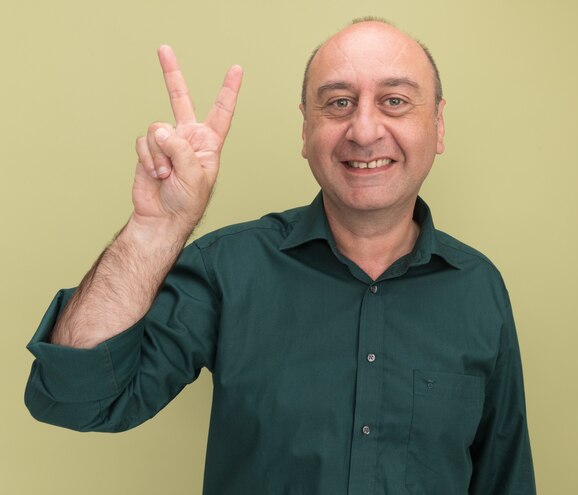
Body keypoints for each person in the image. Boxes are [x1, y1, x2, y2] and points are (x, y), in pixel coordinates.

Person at [25, 18, 536, 495]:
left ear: (438, 124)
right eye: (338, 103)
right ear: (305, 129)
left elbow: (504, 475)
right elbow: (75, 397)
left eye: (395, 101)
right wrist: (155, 229)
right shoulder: (228, 269)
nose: (364, 130)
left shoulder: (478, 288)